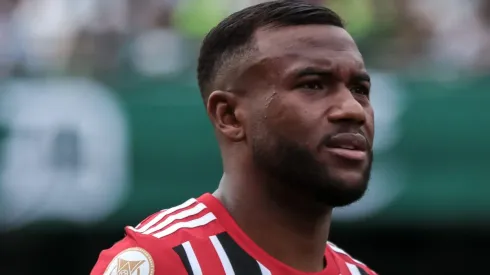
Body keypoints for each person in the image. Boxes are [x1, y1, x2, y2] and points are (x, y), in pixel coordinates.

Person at [91, 1, 377, 274]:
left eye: (360, 89)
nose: (352, 109)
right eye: (313, 85)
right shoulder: (162, 262)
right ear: (228, 116)